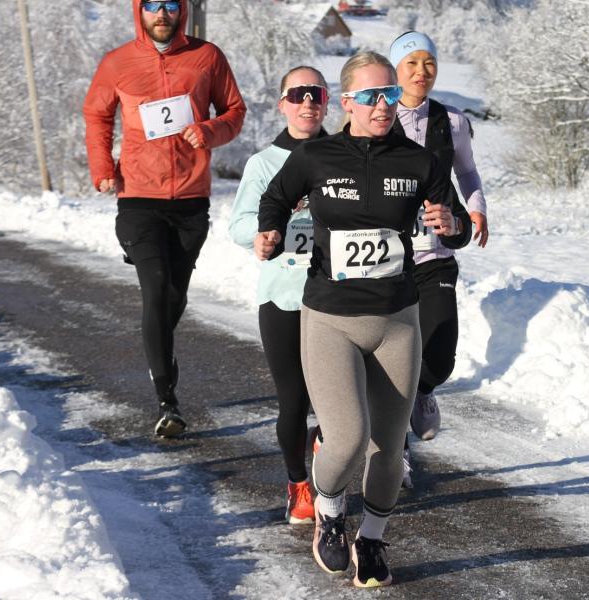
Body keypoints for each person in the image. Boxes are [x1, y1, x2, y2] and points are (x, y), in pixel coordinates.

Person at [258, 51, 470, 588]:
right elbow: (275, 198)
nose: (384, 105)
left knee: (390, 451)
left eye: (391, 95)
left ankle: (371, 539)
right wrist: (270, 232)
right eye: (372, 96)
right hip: (330, 317)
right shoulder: (317, 156)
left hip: (397, 319)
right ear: (347, 100)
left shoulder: (419, 161)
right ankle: (329, 512)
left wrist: (451, 223)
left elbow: (459, 226)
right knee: (347, 439)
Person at [83, 0, 245, 437]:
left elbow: (235, 111)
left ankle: (161, 347)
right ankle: (166, 401)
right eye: (152, 5)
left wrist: (209, 132)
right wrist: (102, 168)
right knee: (155, 290)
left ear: (182, 11)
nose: (161, 13)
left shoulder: (206, 56)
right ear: (140, 10)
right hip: (138, 198)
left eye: (170, 5)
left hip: (191, 201)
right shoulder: (117, 62)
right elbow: (97, 113)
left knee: (173, 297)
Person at [228, 66, 328, 525]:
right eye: (298, 95)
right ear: (283, 103)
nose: (308, 103)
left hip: (337, 295)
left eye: (316, 94)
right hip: (284, 295)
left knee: (338, 402)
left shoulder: (344, 155)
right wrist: (263, 233)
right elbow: (239, 223)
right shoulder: (263, 163)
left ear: (327, 102)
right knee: (294, 400)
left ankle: (330, 470)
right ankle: (298, 483)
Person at [388, 31, 490, 443]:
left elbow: (466, 171)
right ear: (396, 69)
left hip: (436, 252)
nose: (421, 72)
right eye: (411, 63)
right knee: (390, 360)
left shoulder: (452, 121)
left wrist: (477, 207)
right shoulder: (377, 117)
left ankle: (423, 390)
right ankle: (395, 453)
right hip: (386, 256)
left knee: (441, 356)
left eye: (428, 63)